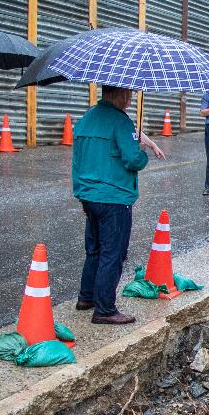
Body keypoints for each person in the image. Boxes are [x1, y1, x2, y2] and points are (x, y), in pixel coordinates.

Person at [72, 85, 164, 325]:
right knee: (112, 252)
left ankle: (86, 296)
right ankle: (105, 308)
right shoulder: (121, 121)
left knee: (94, 249)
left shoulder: (86, 118)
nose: (131, 98)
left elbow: (78, 159)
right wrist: (141, 152)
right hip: (114, 196)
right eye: (130, 93)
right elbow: (133, 159)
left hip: (88, 194)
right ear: (122, 94)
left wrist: (81, 192)